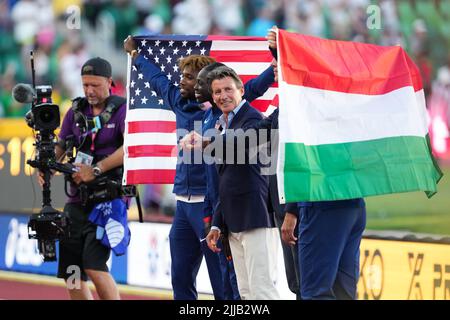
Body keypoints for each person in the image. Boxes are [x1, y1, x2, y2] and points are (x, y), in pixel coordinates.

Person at [124, 35, 276, 300]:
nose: (182, 81)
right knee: (180, 277)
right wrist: (136, 56)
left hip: (211, 204)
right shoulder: (179, 102)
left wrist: (275, 66)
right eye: (182, 76)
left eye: (189, 77)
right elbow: (157, 80)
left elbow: (254, 87)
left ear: (205, 83)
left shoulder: (223, 110)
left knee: (227, 283)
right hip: (183, 203)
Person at [267, 28, 367, 300]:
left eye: (278, 65)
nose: (274, 69)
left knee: (314, 293)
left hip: (319, 201)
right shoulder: (336, 100)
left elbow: (303, 156)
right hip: (351, 199)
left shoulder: (305, 104)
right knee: (342, 292)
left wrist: (292, 209)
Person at [39, 57, 127, 300]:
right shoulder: (75, 111)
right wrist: (48, 166)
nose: (89, 90)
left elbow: (130, 148)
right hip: (77, 200)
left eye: (95, 85)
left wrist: (96, 169)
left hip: (109, 200)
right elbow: (61, 145)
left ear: (110, 82)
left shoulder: (122, 110)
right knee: (72, 271)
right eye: (85, 84)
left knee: (94, 266)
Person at [203, 66, 280, 300]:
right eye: (217, 92)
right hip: (234, 220)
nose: (222, 96)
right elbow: (225, 180)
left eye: (228, 89)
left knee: (262, 291)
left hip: (256, 216)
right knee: (246, 293)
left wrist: (207, 143)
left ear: (241, 90)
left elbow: (241, 146)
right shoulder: (221, 124)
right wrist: (217, 223)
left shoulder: (253, 118)